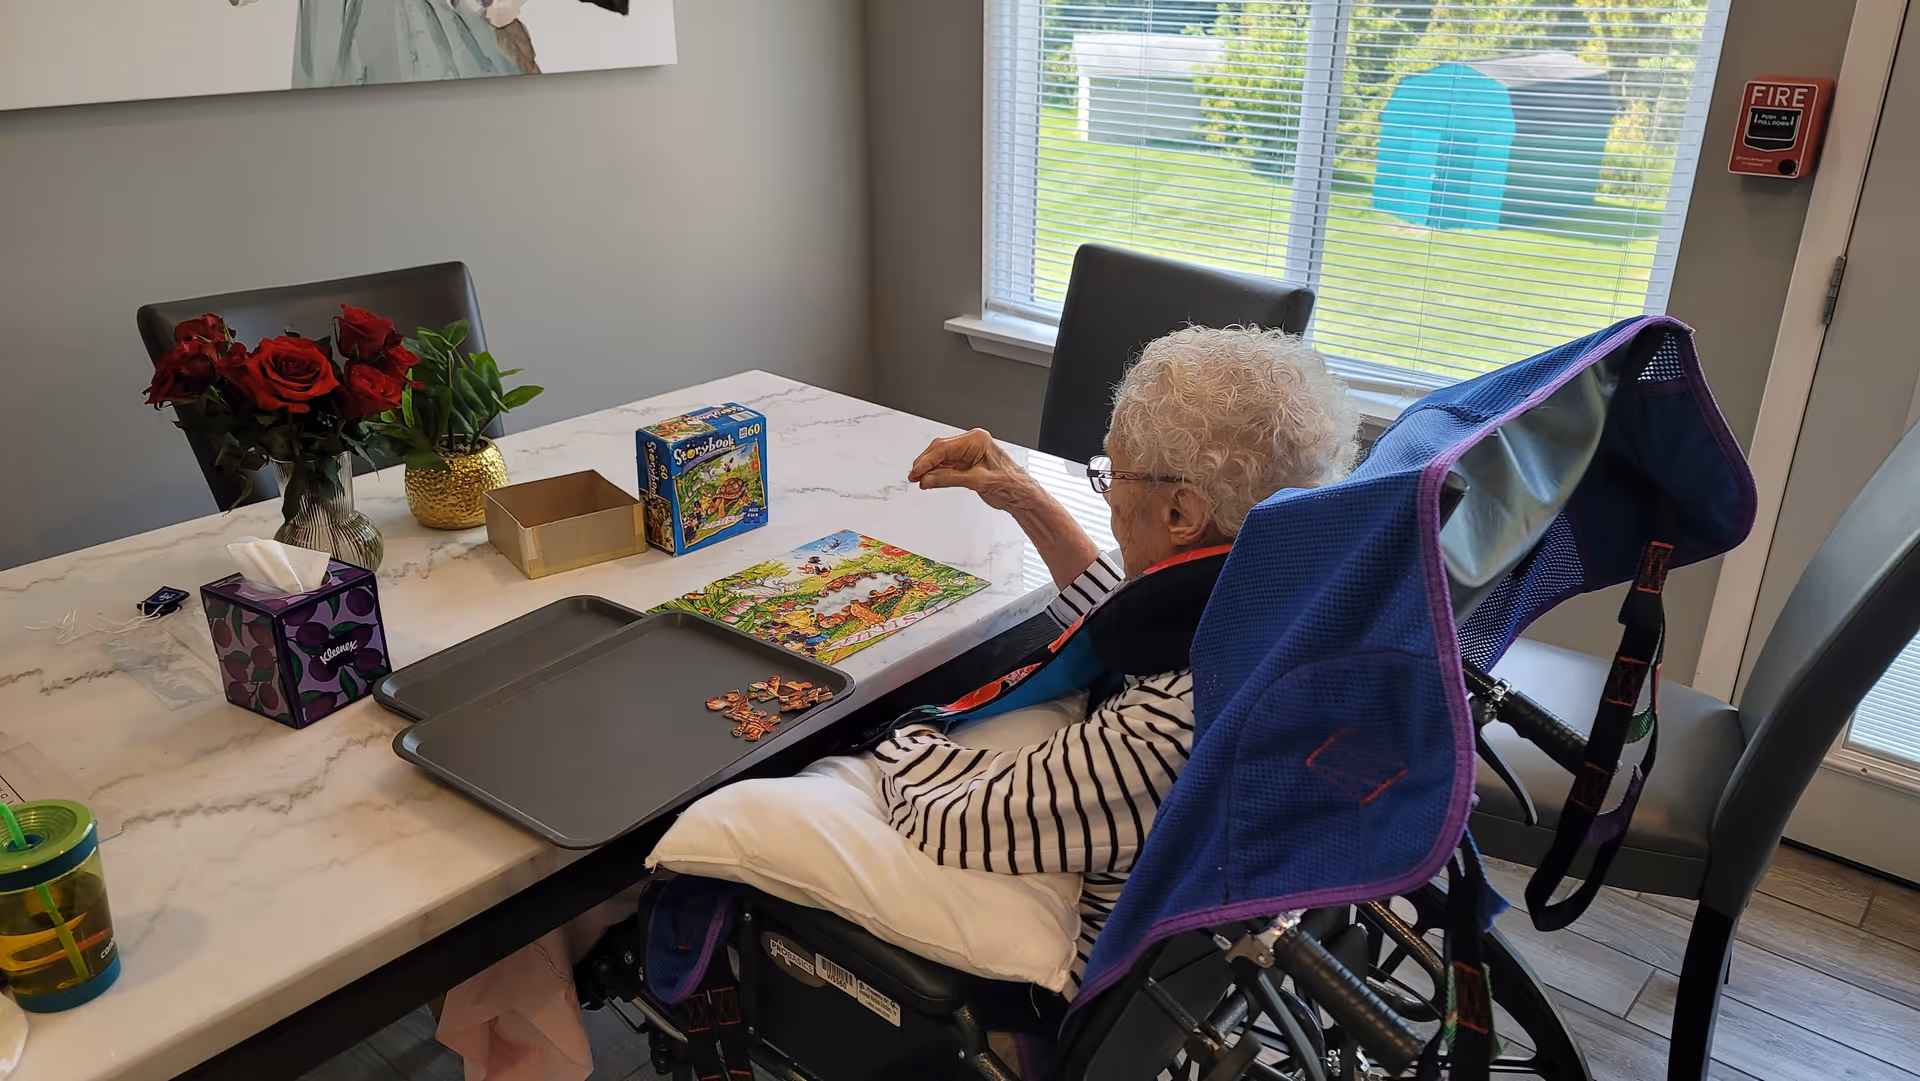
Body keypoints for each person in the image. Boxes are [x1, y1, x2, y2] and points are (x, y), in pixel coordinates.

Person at [872, 324, 1358, 993]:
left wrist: (890, 733)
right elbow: (1138, 617)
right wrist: (1023, 494)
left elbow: (945, 816)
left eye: (1113, 474)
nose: (1111, 496)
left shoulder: (1169, 724)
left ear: (1182, 511)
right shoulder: (1280, 605)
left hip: (1078, 993)